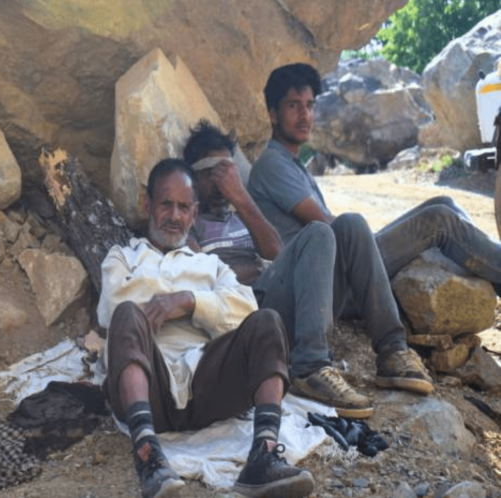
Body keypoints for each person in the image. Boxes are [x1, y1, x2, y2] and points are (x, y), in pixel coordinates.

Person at [184, 120, 436, 419]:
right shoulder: (189, 222)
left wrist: (242, 199)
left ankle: (392, 349)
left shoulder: (243, 214)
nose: (222, 181)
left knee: (351, 224)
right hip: (248, 319)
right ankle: (310, 366)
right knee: (317, 233)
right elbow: (206, 281)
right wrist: (250, 271)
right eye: (214, 173)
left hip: (286, 311)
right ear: (194, 175)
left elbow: (275, 253)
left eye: (228, 172)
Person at [98, 159, 314, 498]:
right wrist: (203, 307)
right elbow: (115, 307)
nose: (174, 216)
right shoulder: (122, 258)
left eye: (183, 207)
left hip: (209, 388)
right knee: (126, 314)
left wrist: (188, 302)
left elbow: (246, 310)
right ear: (147, 205)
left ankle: (264, 457)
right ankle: (148, 457)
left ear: (194, 214)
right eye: (165, 204)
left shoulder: (211, 266)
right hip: (149, 389)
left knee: (267, 321)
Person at [248, 62, 501, 295]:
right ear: (273, 114)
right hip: (331, 277)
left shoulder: (292, 163)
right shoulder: (272, 163)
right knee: (440, 220)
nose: (305, 116)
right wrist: (370, 237)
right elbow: (324, 223)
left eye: (309, 105)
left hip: (341, 260)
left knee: (446, 203)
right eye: (293, 106)